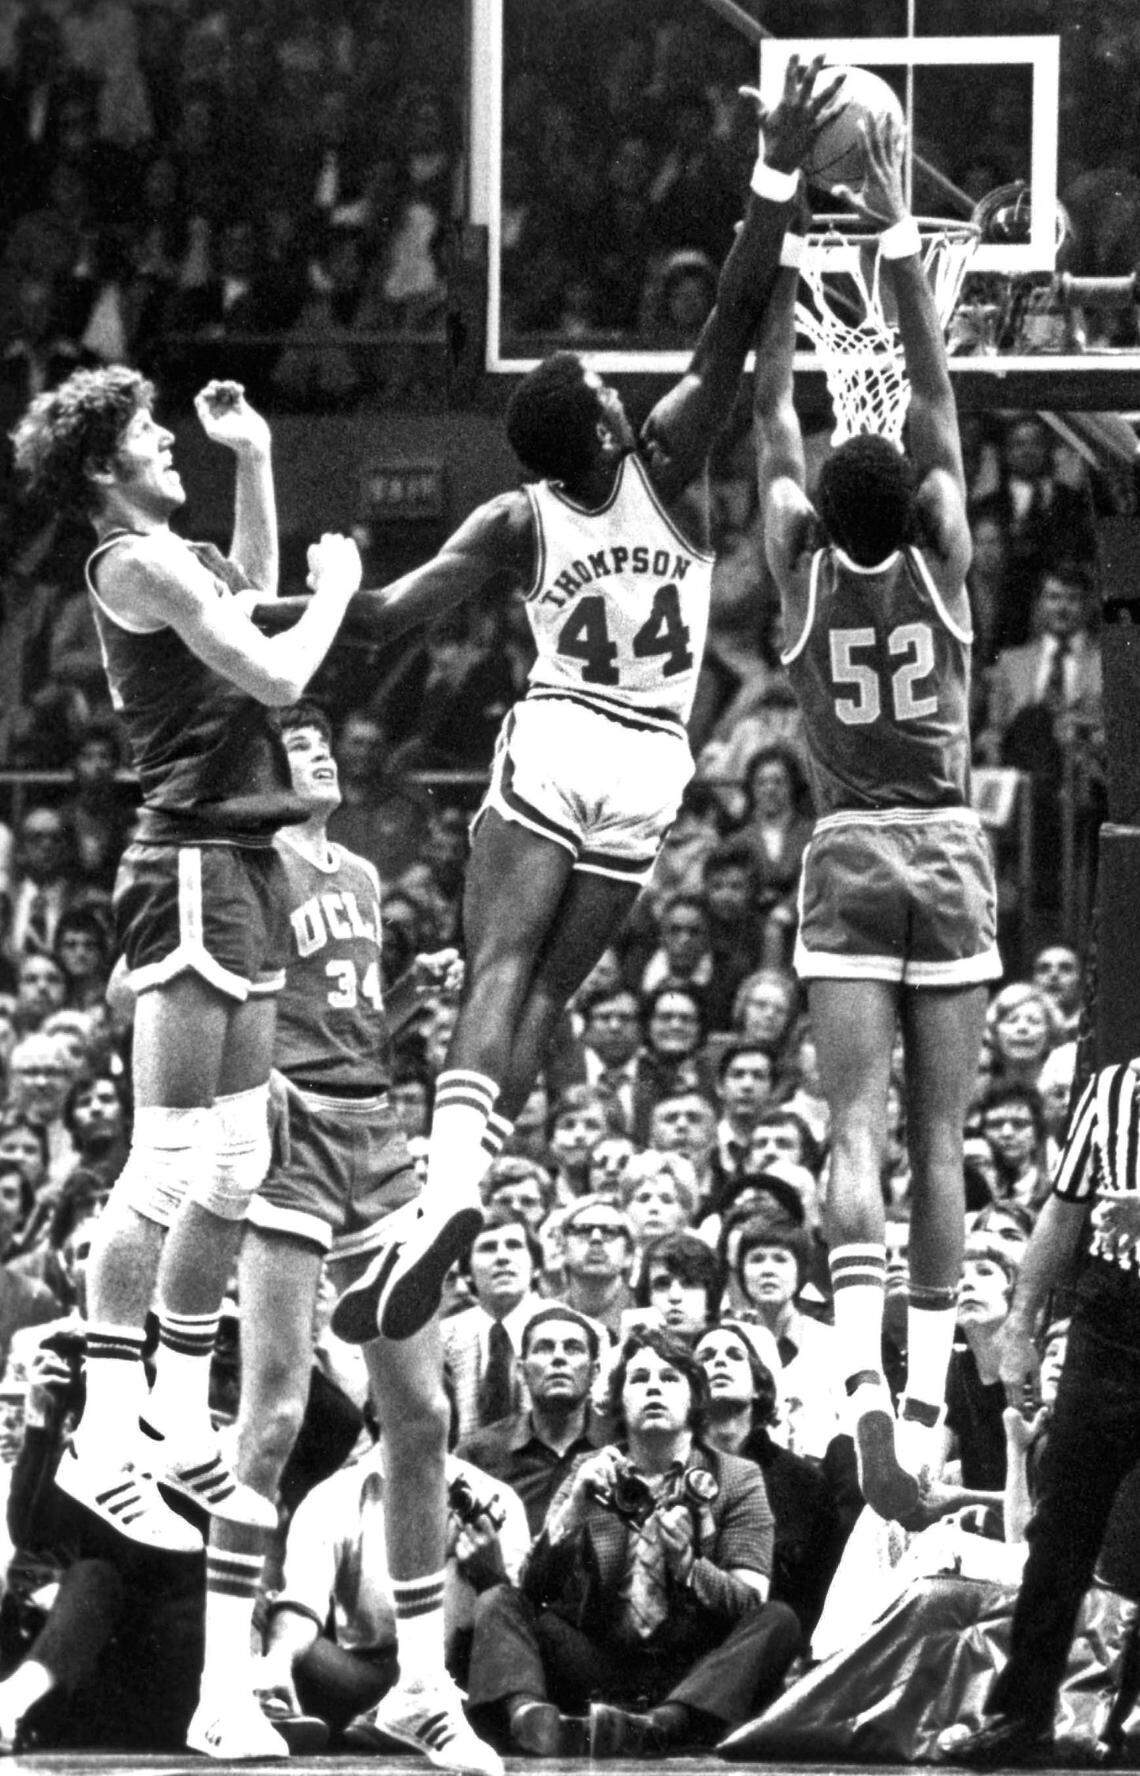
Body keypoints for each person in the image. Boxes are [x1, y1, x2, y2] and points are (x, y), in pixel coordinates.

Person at [327, 57, 844, 1349]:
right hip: (657, 759)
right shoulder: (671, 464)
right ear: (606, 419)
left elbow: (390, 618)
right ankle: (455, 1191)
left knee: (497, 965)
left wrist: (310, 593)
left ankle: (446, 1190)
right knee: (551, 991)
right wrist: (772, 174)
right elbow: (732, 313)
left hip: (558, 733)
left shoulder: (517, 516)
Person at [8, 365, 361, 1757]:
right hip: (193, 863)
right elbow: (281, 657)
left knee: (238, 1153)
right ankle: (108, 1417)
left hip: (247, 860)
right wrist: (341, 584)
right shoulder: (131, 561)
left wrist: (261, 459)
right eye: (155, 436)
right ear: (105, 467)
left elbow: (250, 592)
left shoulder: (180, 554)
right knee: (167, 1161)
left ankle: (164, 1391)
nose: (173, 445)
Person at [751, 111, 1001, 1524]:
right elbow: (939, 401)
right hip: (952, 849)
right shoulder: (949, 553)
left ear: (814, 513)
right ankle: (921, 1398)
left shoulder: (795, 565)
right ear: (918, 506)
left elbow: (780, 419)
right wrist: (897, 232)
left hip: (847, 853)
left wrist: (788, 259)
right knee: (942, 1142)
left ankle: (853, 1380)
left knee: (850, 1129)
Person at [209, 699, 501, 1776]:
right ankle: (226, 1679)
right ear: (262, 771)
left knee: (420, 1416)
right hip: (289, 1136)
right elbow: (146, 998)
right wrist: (247, 1071)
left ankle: (422, 1690)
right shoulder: (239, 867)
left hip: (377, 1130)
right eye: (298, 743)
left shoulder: (365, 882)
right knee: (274, 1415)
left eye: (330, 738)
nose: (322, 750)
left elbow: (342, 1019)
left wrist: (412, 1003)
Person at [464, 1326, 801, 1758]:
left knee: (779, 1620)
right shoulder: (590, 1467)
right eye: (639, 1380)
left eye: (669, 1379)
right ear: (620, 1402)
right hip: (599, 1660)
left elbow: (748, 1604)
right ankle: (530, 1718)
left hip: (694, 1670)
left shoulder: (738, 1477)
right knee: (500, 1600)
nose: (654, 1389)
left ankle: (660, 1727)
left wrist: (689, 1568)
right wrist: (572, 1513)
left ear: (696, 1397)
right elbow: (533, 1589)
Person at [939, 1058, 1140, 1768]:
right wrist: (1020, 1326)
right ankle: (1021, 1715)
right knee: (1060, 1526)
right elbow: (1064, 1207)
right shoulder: (1113, 1089)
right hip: (1112, 1323)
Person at [456, 1304, 608, 1538]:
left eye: (573, 1348)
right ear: (520, 1370)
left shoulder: (617, 1446)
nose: (559, 1358)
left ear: (595, 1371)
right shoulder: (479, 1455)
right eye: (544, 1348)